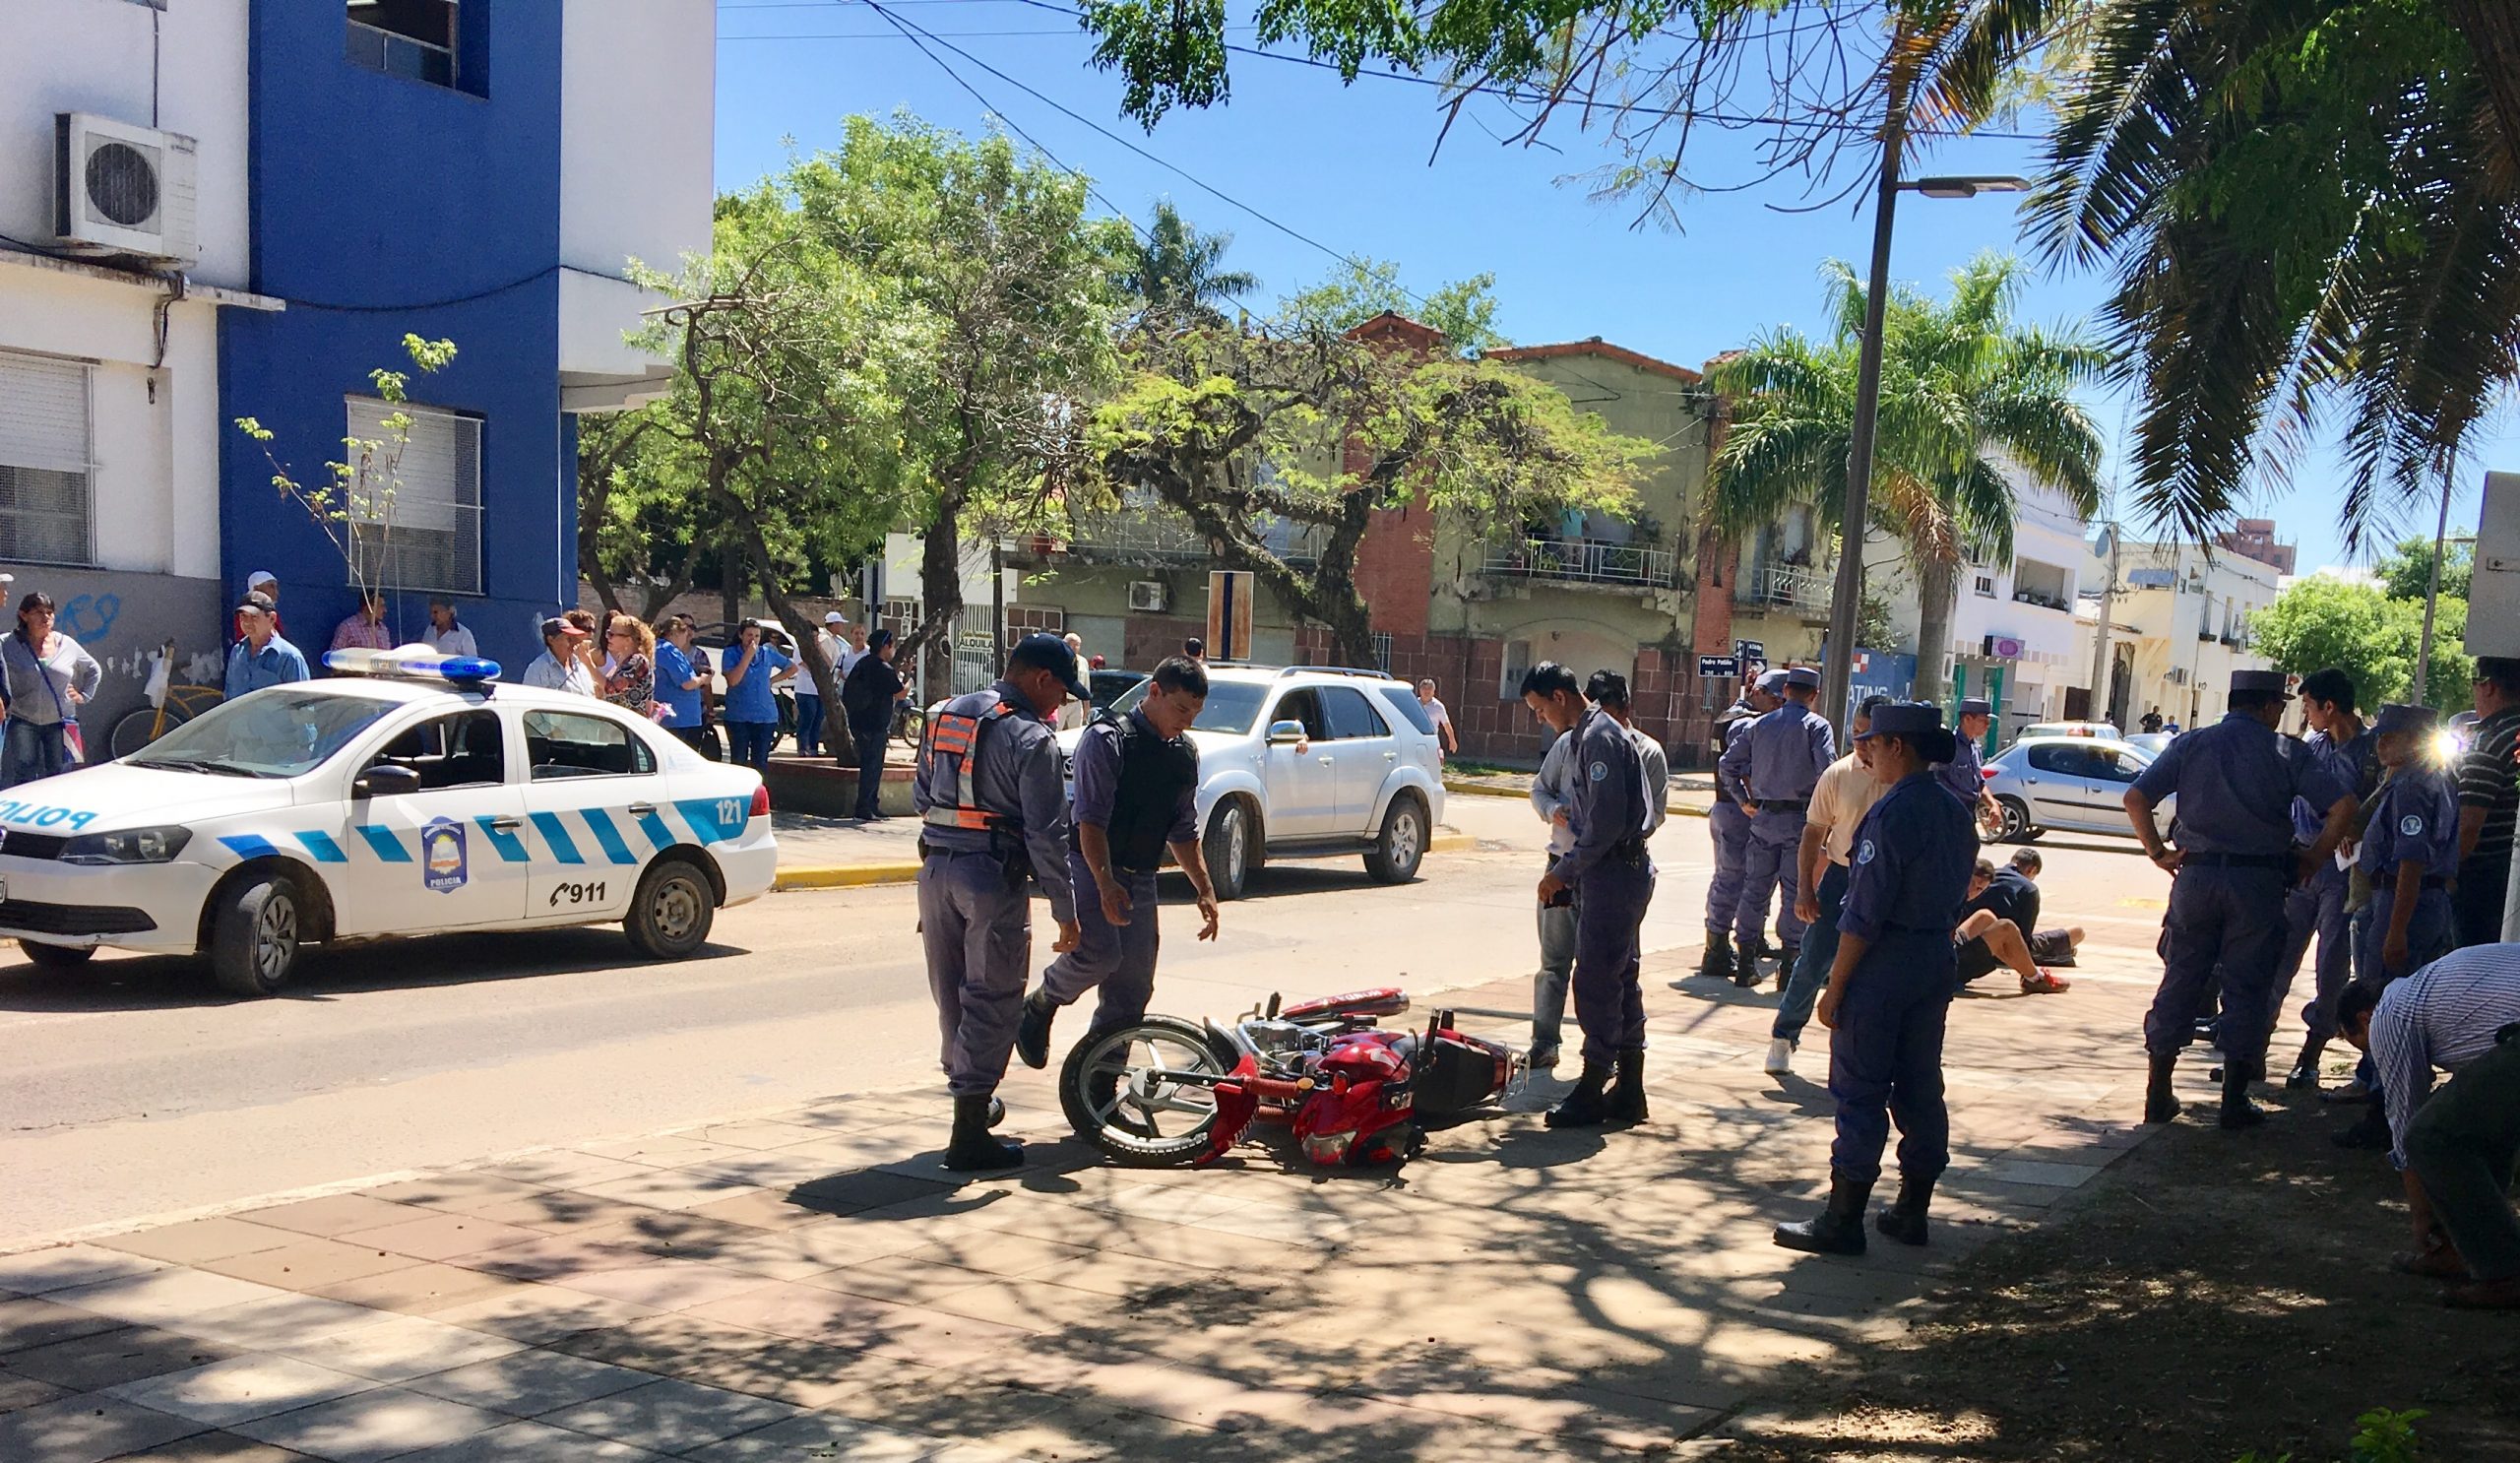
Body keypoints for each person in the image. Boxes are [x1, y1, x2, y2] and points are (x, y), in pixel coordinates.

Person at [1774, 702, 1977, 1256]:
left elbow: (1864, 914)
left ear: (1898, 748)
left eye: (1874, 742)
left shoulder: (1891, 813)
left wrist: (1834, 988)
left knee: (1860, 1087)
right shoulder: (1955, 811)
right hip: (1934, 956)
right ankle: (1913, 1209)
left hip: (1884, 961)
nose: (1866, 751)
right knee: (1919, 1083)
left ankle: (1843, 1220)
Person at [2125, 668, 2357, 1129]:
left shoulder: (2191, 744)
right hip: (2258, 883)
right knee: (2247, 986)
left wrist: (2158, 852)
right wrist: (2313, 857)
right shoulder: (2285, 751)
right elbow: (2344, 807)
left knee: (2181, 978)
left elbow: (2136, 797)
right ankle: (2232, 1101)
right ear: (2271, 706)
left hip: (2196, 877)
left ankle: (2158, 1091)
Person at [914, 634, 1089, 1170]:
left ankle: (969, 1099)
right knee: (992, 997)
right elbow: (1046, 832)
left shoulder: (944, 715)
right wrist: (1066, 907)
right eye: (1060, 691)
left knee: (951, 993)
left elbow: (922, 795)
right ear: (1040, 679)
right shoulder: (1031, 737)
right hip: (992, 876)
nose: (1060, 704)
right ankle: (969, 1133)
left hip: (936, 870)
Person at [1015, 656, 1223, 1083]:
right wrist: (1105, 883)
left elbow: (1183, 829)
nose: (1186, 721)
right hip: (1091, 865)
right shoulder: (1108, 739)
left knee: (1132, 989)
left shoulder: (1184, 754)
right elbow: (1090, 820)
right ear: (1155, 693)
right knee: (1099, 954)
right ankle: (1041, 1002)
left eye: (1195, 714)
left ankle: (1099, 1090)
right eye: (1181, 708)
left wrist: (1204, 886)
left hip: (1141, 875)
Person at [2337, 949, 2520, 1309]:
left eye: (2356, 1042)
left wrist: (2422, 1222)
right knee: (2476, 1130)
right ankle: (2471, 1249)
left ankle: (2504, 1272)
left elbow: (2407, 1123)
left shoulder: (2390, 1013)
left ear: (2364, 1018)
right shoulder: (2433, 990)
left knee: (2429, 1137)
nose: (2369, 1056)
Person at [1527, 661, 1656, 1128]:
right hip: (1610, 870)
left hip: (1613, 871)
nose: (1541, 719)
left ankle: (1593, 1083)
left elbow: (1601, 826)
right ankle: (1629, 1089)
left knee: (1598, 981)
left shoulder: (1599, 735)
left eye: (1540, 709)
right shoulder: (1587, 735)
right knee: (1620, 979)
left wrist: (1564, 872)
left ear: (1559, 697)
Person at [1769, 696, 1892, 1076]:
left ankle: (1869, 1053)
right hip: (1841, 878)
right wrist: (1805, 888)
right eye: (1854, 732)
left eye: (1867, 734)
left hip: (1885, 884)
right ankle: (1783, 1036)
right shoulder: (1838, 774)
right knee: (1813, 960)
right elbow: (1813, 833)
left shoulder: (1900, 777)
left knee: (1877, 968)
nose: (1858, 741)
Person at [2275, 668, 2380, 1087]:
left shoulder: (2371, 753)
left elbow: (2373, 809)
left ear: (2329, 706)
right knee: (2279, 955)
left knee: (2331, 967)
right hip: (2304, 863)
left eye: (2308, 705)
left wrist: (2352, 831)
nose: (2307, 714)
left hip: (2344, 872)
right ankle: (2251, 1051)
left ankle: (2311, 1054)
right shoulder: (2310, 748)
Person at [1721, 665, 1836, 988]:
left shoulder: (1760, 726)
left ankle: (1745, 964)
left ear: (1785, 692)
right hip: (1801, 821)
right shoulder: (1817, 727)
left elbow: (1727, 764)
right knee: (1795, 892)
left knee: (1754, 890)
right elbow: (1827, 771)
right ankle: (1788, 968)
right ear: (1813, 695)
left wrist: (1744, 799)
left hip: (1763, 818)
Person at [2360, 704, 2461, 985]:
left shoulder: (2410, 789)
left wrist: (2396, 930)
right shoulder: (2436, 781)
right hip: (2429, 902)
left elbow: (2411, 862)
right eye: (2380, 736)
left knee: (2382, 998)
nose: (2381, 744)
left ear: (2417, 740)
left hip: (2402, 904)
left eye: (2390, 737)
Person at [1701, 672, 1782, 983]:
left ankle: (1749, 937)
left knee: (1751, 879)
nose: (1778, 706)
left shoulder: (1733, 715)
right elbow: (1743, 769)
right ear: (1758, 693)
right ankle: (1717, 947)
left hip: (1730, 809)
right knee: (1733, 879)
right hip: (1738, 812)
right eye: (1774, 699)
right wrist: (1750, 801)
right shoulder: (1745, 723)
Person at [1528, 700, 1582, 1070]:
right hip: (1560, 868)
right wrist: (1553, 810)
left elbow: (1651, 814)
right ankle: (1545, 1042)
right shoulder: (1565, 746)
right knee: (1553, 964)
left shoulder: (1639, 748)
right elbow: (1539, 791)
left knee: (1609, 969)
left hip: (1609, 876)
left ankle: (1604, 1053)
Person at [0, 593, 101, 789]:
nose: (45, 618)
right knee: (25, 771)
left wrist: (84, 695)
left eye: (50, 613)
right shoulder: (8, 643)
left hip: (61, 721)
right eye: (38, 612)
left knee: (61, 773)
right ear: (24, 615)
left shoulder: (66, 644)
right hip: (23, 719)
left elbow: (94, 670)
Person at [2456, 658, 2520, 949]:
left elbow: (2468, 829)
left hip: (2484, 883)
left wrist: (2444, 873)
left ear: (2489, 686)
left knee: (2475, 965)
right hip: (2512, 874)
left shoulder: (2487, 744)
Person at [1950, 857, 2072, 995]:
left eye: (1979, 889)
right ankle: (2035, 977)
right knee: (2006, 927)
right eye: (1972, 882)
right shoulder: (1951, 896)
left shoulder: (1957, 895)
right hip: (1943, 961)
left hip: (1948, 945)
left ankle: (2024, 969)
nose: (1972, 891)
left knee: (1985, 916)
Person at [1586, 670, 1667, 835]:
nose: (1601, 727)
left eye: (1609, 718)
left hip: (1625, 854)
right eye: (1595, 718)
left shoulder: (1649, 752)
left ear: (1625, 711)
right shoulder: (1569, 744)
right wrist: (1554, 809)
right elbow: (1541, 790)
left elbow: (1656, 813)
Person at [841, 628, 908, 820]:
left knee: (871, 765)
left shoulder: (862, 663)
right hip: (874, 724)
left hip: (858, 721)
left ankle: (871, 804)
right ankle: (864, 806)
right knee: (872, 766)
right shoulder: (882, 668)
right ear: (885, 646)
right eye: (891, 645)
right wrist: (908, 678)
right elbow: (901, 693)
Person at [721, 620, 791, 777]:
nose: (753, 639)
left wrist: (772, 681)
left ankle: (759, 797)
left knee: (760, 762)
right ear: (740, 635)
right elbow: (733, 680)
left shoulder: (768, 652)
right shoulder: (731, 653)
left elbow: (792, 667)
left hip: (765, 716)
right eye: (749, 635)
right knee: (739, 760)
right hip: (738, 716)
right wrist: (747, 657)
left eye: (757, 636)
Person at [2004, 849, 2087, 966]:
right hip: (2010, 948)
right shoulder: (2029, 889)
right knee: (2077, 932)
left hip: (1983, 941)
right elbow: (2023, 938)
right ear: (2031, 870)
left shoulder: (1988, 876)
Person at [225, 592, 309, 699]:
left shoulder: (290, 657)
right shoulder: (237, 652)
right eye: (243, 616)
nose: (247, 622)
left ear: (272, 619)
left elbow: (302, 703)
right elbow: (228, 693)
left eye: (254, 617)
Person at [1938, 698, 2002, 838]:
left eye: (1988, 721)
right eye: (1983, 720)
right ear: (1967, 719)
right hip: (1949, 816)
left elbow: (1979, 782)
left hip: (1968, 814)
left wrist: (1992, 804)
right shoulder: (1949, 746)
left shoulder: (1975, 748)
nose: (1987, 725)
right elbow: (1938, 782)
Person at [792, 613, 844, 759]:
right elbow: (808, 666)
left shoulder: (818, 649)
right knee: (807, 718)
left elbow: (828, 665)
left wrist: (819, 648)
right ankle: (803, 747)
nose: (814, 640)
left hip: (818, 691)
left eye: (816, 637)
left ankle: (813, 747)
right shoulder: (799, 649)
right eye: (812, 637)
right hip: (805, 690)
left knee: (818, 720)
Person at [654, 614, 707, 749]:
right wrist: (703, 679)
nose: (686, 638)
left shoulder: (659, 648)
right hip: (678, 717)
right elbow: (687, 683)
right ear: (675, 634)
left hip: (672, 716)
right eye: (685, 634)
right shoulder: (669, 651)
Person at [600, 615, 657, 720]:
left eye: (611, 635)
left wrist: (587, 662)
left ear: (628, 640)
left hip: (631, 724)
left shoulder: (636, 661)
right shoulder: (622, 660)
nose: (608, 638)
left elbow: (613, 688)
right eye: (608, 633)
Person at [521, 616, 595, 695]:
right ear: (551, 640)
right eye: (569, 639)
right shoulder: (539, 669)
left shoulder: (580, 667)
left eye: (575, 638)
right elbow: (532, 701)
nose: (574, 643)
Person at [329, 590, 393, 654]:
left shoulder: (383, 629)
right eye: (381, 606)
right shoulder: (348, 628)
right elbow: (334, 655)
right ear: (369, 607)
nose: (385, 610)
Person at [1055, 632, 1091, 732]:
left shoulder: (1083, 662)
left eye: (1078, 645)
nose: (1076, 647)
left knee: (1075, 733)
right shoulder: (1059, 660)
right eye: (1074, 644)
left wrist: (1086, 706)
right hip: (1061, 703)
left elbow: (1086, 685)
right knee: (1056, 731)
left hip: (1076, 703)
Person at [1418, 679, 1460, 762]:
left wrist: (1452, 740)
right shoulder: (1414, 703)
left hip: (1431, 739)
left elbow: (1446, 725)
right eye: (1424, 688)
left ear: (1434, 691)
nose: (1427, 691)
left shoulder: (1438, 707)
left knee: (1433, 764)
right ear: (1420, 690)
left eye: (1429, 688)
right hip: (1416, 738)